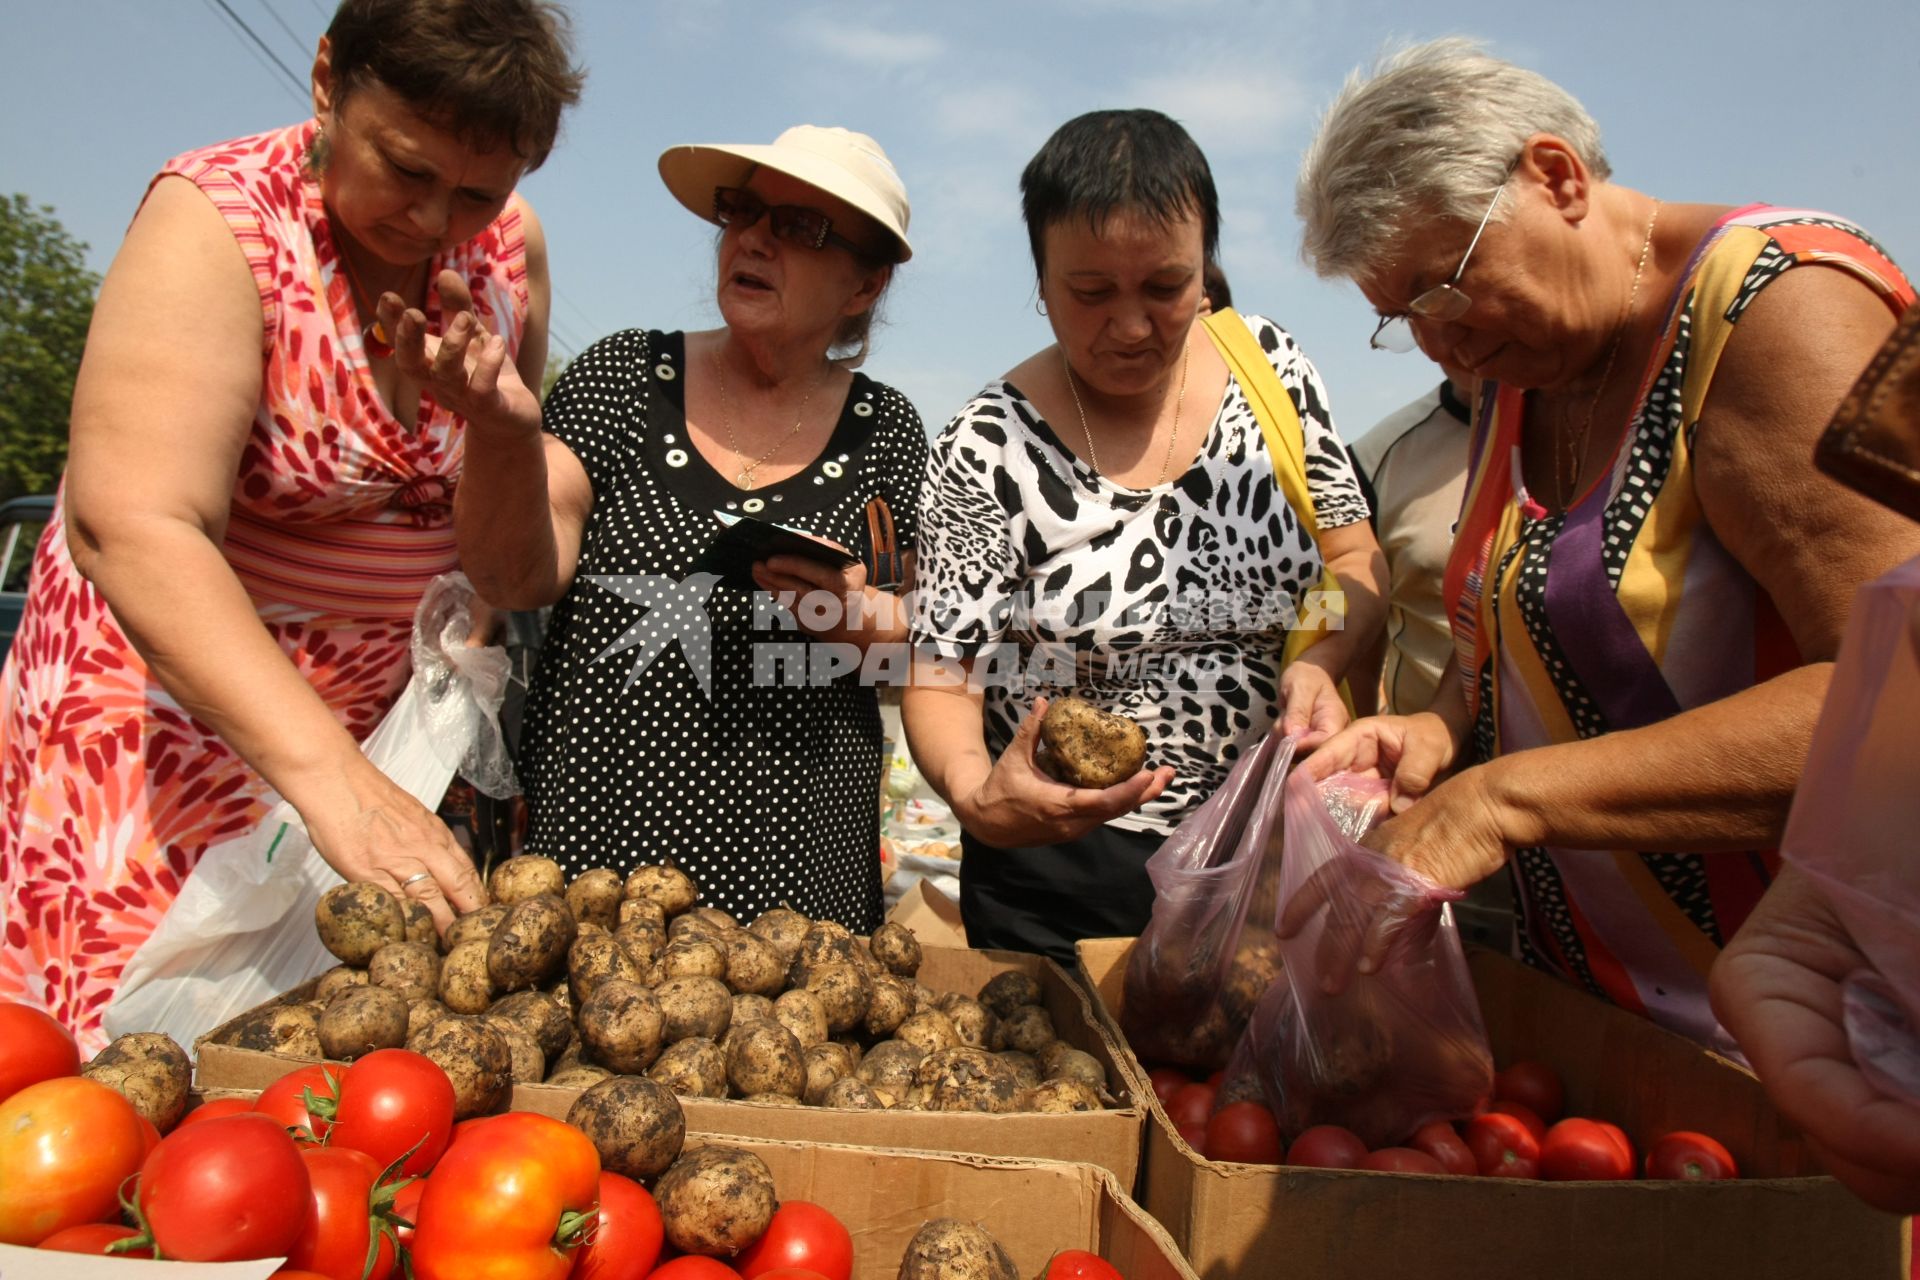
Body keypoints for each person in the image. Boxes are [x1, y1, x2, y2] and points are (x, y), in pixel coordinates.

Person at [1291, 38, 1917, 1052]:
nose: (1438, 342)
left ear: (1557, 177)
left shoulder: (1782, 309)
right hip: (1611, 1019)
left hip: (1817, 1031)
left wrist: (1505, 798)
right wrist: (1447, 732)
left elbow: (1895, 701)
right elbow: (1517, 641)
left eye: (1443, 285)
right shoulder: (1519, 373)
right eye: (1401, 316)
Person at [0, 0, 581, 1049]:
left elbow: (499, 568)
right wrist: (332, 781)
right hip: (173, 732)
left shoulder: (508, 254)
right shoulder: (221, 220)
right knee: (122, 1066)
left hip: (369, 752)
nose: (435, 220)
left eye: (478, 190)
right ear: (328, 83)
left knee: (306, 1069)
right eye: (406, 169)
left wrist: (500, 429)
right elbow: (132, 523)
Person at [397, 125, 925, 932]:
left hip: (799, 884)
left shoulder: (887, 431)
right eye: (743, 212)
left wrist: (849, 616)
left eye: (799, 227)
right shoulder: (620, 379)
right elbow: (515, 578)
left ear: (864, 287)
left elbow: (927, 644)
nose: (752, 239)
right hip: (598, 870)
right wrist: (501, 436)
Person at [903, 109, 1385, 964]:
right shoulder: (986, 446)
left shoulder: (1272, 372)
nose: (1130, 326)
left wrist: (1319, 662)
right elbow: (945, 676)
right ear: (1042, 285)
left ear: (1206, 272)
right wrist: (981, 797)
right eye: (1090, 294)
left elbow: (1351, 558)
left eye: (1165, 288)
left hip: (1263, 861)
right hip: (1059, 880)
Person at [1349, 362, 1474, 717]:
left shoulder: (1621, 427)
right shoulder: (1370, 460)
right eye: (1410, 317)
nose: (1441, 339)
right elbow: (1332, 601)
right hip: (1421, 760)